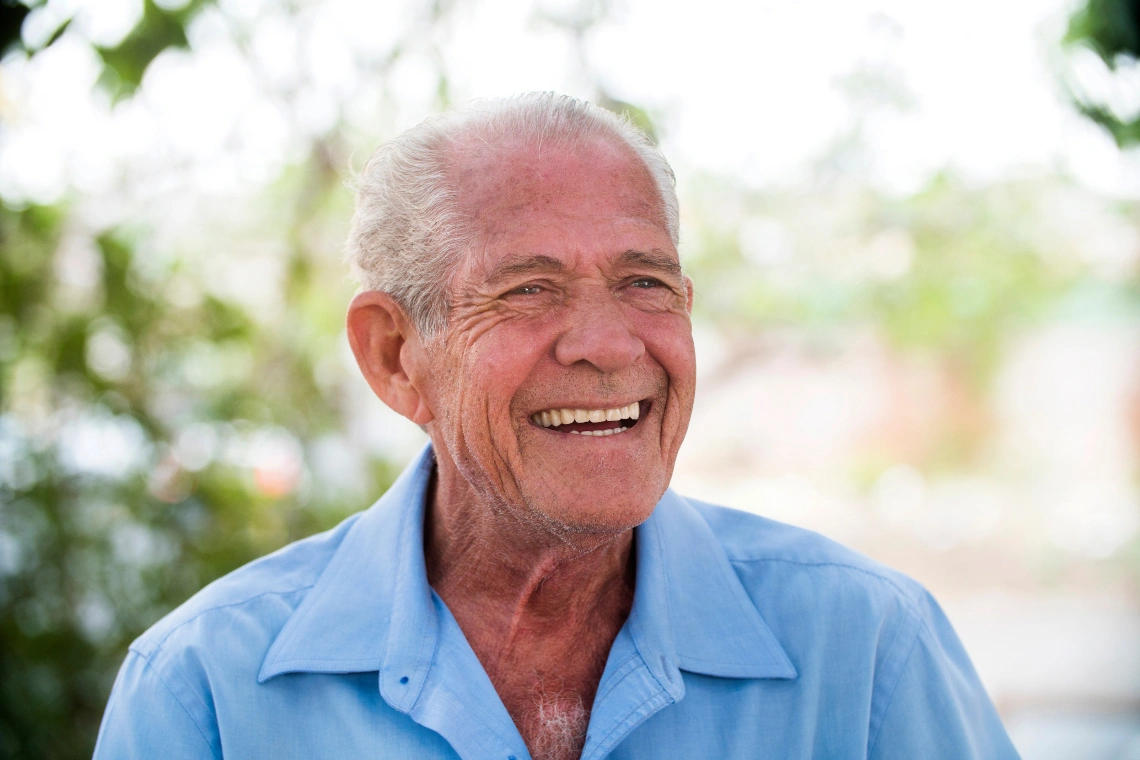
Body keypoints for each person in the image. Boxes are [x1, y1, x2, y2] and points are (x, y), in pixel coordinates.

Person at [93, 93, 1020, 760]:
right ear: (393, 355)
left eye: (645, 283)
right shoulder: (207, 689)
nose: (609, 345)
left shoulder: (864, 650)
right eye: (528, 289)